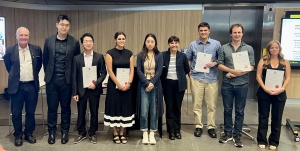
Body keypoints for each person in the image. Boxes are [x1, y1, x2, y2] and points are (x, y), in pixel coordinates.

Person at [43, 14, 80, 144]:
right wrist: (48, 75)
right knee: (52, 108)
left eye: (67, 25)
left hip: (66, 81)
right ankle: (52, 132)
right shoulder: (48, 40)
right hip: (52, 81)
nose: (64, 27)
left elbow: (76, 63)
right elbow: (45, 60)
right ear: (57, 25)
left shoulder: (74, 42)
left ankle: (65, 132)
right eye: (62, 24)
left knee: (66, 108)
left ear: (69, 27)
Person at [3, 27, 42, 147]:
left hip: (31, 86)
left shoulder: (36, 49)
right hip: (17, 87)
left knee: (30, 112)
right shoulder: (10, 50)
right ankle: (18, 135)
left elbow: (38, 66)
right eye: (21, 35)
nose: (23, 37)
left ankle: (29, 133)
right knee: (16, 113)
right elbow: (9, 66)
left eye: (26, 35)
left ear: (29, 36)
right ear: (16, 36)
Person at [218, 23, 255, 147]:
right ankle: (227, 132)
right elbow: (220, 64)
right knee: (227, 110)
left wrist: (234, 74)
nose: (237, 34)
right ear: (231, 34)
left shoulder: (248, 49)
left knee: (240, 111)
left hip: (242, 84)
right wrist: (231, 71)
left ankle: (237, 134)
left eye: (239, 32)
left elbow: (251, 66)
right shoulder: (224, 48)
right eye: (235, 32)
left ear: (242, 33)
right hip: (227, 84)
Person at [186, 22, 221, 138]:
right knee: (197, 104)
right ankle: (198, 126)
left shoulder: (216, 44)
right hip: (197, 78)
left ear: (209, 31)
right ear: (198, 31)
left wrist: (214, 63)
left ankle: (211, 127)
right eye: (201, 30)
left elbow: (221, 59)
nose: (203, 32)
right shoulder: (193, 45)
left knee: (211, 105)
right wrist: (189, 70)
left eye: (205, 30)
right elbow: (188, 59)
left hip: (212, 78)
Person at [72, 33, 107, 144]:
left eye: (90, 41)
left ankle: (92, 133)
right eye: (86, 41)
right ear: (82, 43)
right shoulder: (76, 58)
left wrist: (96, 83)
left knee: (94, 111)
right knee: (81, 111)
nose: (88, 43)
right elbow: (74, 76)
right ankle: (81, 132)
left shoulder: (99, 57)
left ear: (93, 43)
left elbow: (103, 73)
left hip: (94, 89)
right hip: (81, 90)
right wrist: (74, 92)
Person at [256, 40, 291, 150]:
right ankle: (262, 140)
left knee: (277, 118)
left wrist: (282, 89)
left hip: (279, 94)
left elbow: (288, 77)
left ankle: (274, 141)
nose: (274, 49)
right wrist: (265, 88)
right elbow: (258, 76)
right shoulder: (263, 61)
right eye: (272, 48)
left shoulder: (285, 62)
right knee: (263, 117)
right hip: (264, 93)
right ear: (268, 49)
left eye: (276, 47)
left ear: (279, 49)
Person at [104, 31, 135, 144]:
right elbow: (110, 71)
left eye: (123, 39)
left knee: (124, 107)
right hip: (114, 85)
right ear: (115, 40)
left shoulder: (130, 53)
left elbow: (132, 70)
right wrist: (119, 84)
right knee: (115, 107)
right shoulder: (109, 53)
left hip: (126, 85)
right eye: (119, 39)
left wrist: (129, 83)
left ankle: (122, 132)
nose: (121, 41)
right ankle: (115, 132)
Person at [136, 33, 163, 145]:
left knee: (154, 110)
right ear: (145, 42)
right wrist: (147, 83)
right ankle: (144, 133)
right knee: (144, 110)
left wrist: (152, 83)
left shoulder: (159, 55)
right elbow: (139, 71)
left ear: (155, 43)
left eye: (152, 42)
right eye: (148, 41)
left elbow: (159, 71)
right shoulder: (140, 54)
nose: (150, 44)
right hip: (143, 84)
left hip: (156, 85)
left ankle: (152, 133)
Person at [161, 36, 190, 140]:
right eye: (172, 43)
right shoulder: (163, 55)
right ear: (168, 44)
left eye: (176, 43)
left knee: (177, 107)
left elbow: (187, 69)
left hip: (179, 84)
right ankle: (171, 131)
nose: (174, 45)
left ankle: (177, 130)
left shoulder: (183, 56)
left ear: (179, 44)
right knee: (169, 107)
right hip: (167, 84)